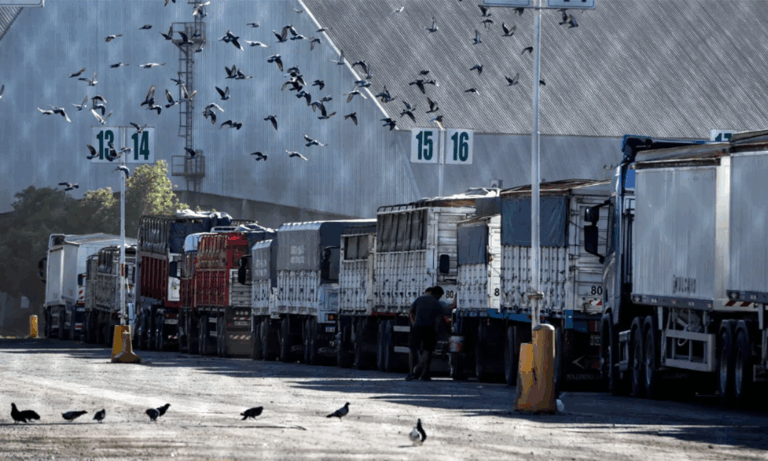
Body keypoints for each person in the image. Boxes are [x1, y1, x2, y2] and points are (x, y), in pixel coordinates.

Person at [406, 285, 447, 381]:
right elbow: (440, 318)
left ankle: (411, 372)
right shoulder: (437, 303)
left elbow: (411, 310)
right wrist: (445, 332)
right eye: (440, 296)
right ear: (437, 294)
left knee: (412, 349)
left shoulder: (419, 299)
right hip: (429, 328)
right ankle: (424, 373)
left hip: (417, 327)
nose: (439, 298)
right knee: (427, 351)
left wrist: (413, 322)